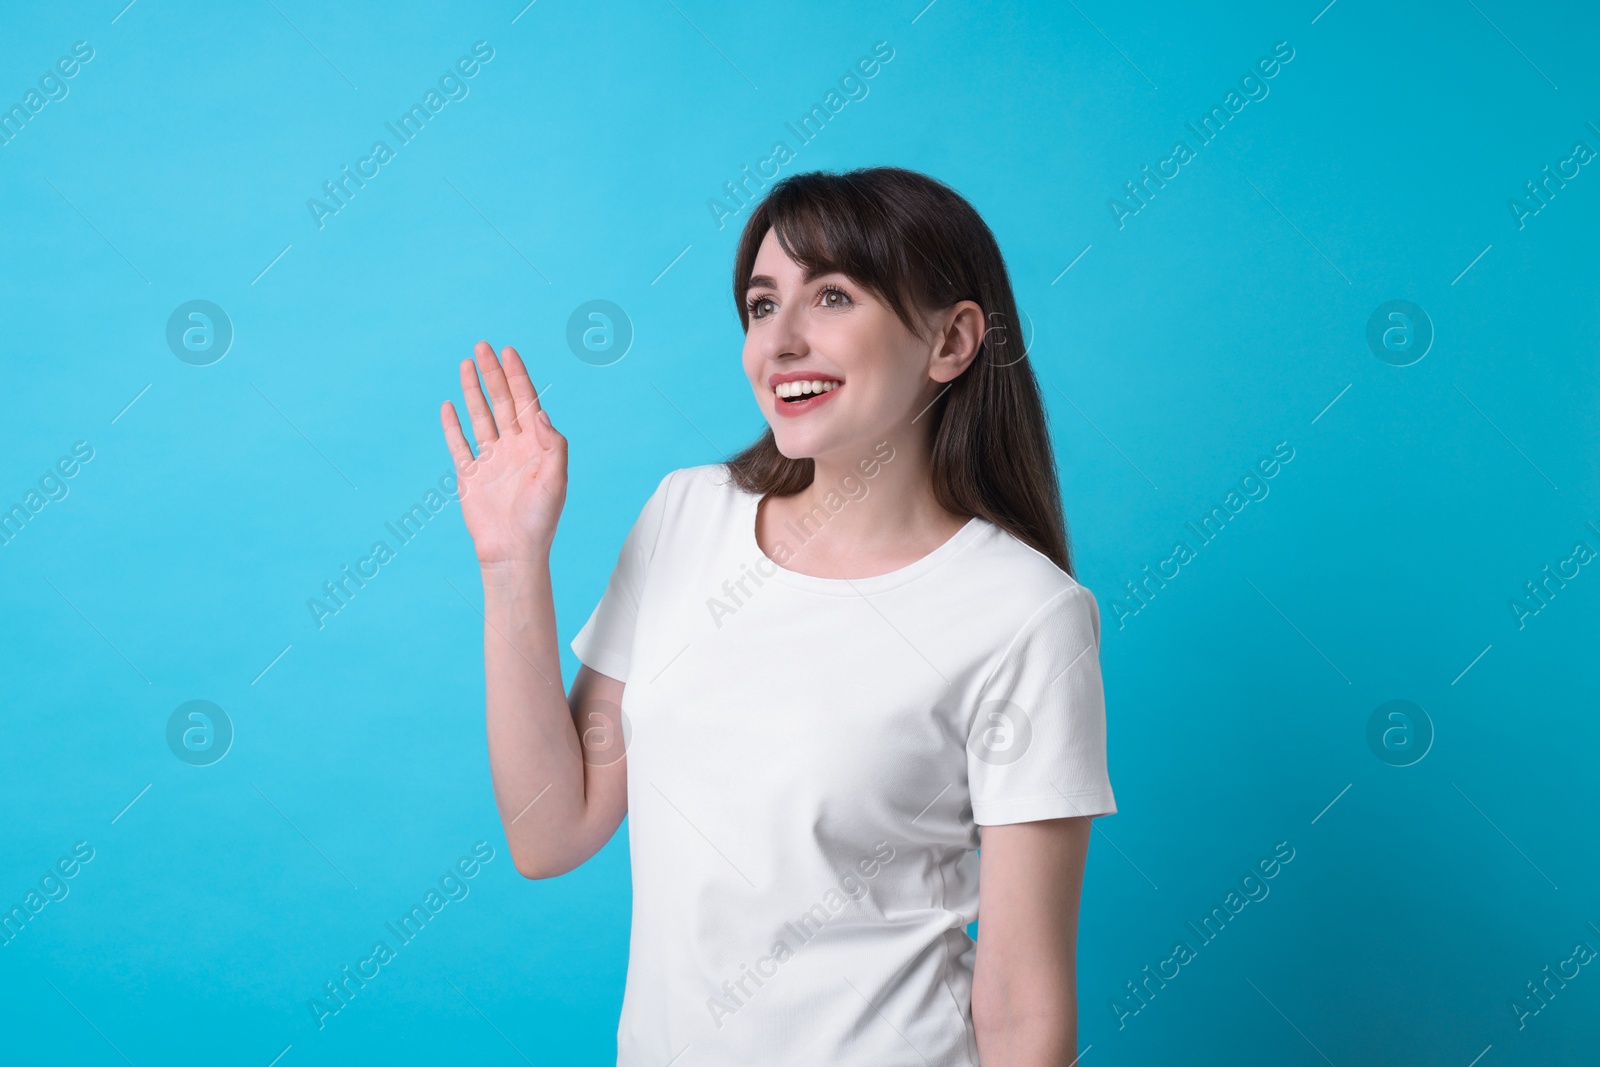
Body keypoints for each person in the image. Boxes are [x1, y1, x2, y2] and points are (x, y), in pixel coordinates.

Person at [440, 166, 1116, 1067]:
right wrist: (511, 563)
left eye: (832, 295)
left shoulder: (1026, 615)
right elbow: (549, 829)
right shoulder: (686, 515)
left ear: (952, 342)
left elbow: (1023, 1003)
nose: (782, 341)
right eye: (762, 306)